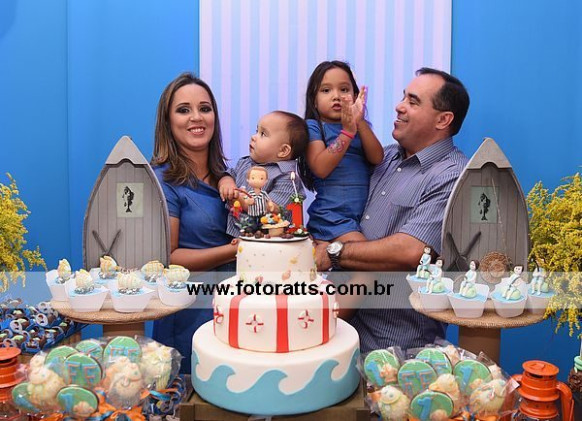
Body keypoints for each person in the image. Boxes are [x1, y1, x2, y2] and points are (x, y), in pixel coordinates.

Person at [315, 67, 470, 352]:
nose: (399, 106)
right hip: (340, 337)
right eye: (403, 97)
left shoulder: (453, 175)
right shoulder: (383, 157)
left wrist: (333, 253)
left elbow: (411, 251)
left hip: (396, 349)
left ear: (443, 120)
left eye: (413, 101)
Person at [150, 72, 238, 372]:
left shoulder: (230, 178)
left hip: (233, 311)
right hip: (188, 317)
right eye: (183, 110)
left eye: (205, 108)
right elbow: (169, 258)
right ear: (167, 121)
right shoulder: (162, 182)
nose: (196, 117)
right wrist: (236, 250)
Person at [304, 60, 384, 243]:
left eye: (344, 89)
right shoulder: (314, 127)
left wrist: (359, 121)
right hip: (331, 217)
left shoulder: (359, 127)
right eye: (326, 90)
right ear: (314, 100)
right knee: (365, 253)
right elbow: (320, 168)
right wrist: (347, 133)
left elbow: (377, 157)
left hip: (361, 218)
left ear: (355, 96)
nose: (336, 96)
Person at [218, 111, 308, 237]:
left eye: (263, 134)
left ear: (283, 150)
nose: (253, 137)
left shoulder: (287, 178)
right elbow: (228, 174)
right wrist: (227, 182)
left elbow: (268, 208)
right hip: (235, 234)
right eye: (257, 131)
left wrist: (238, 198)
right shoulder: (245, 163)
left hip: (268, 242)